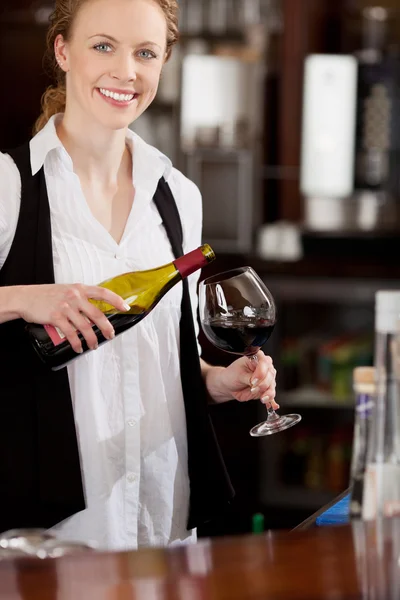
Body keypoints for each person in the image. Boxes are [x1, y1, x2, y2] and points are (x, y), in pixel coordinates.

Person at [0, 0, 277, 550]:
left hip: (162, 510)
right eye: (103, 45)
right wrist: (21, 298)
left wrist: (216, 383)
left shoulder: (177, 196)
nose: (126, 71)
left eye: (145, 53)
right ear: (63, 50)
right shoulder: (10, 184)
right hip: (50, 531)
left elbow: (161, 356)